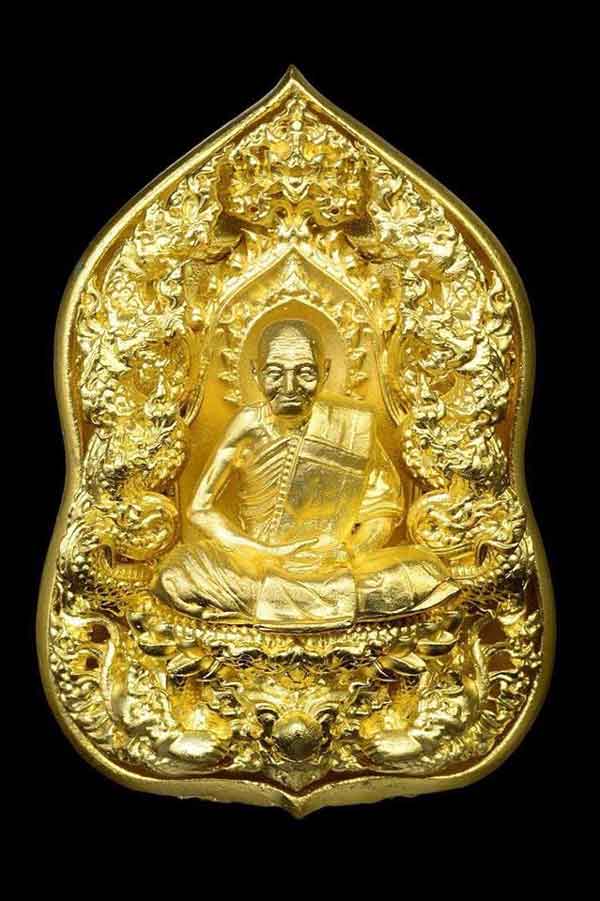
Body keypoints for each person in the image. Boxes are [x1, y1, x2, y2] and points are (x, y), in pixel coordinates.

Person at [153, 319, 458, 627]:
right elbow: (199, 509)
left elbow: (382, 509)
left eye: (305, 373)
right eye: (275, 373)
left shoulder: (352, 426)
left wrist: (350, 551)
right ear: (255, 373)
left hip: (334, 565)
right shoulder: (249, 424)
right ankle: (324, 604)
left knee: (427, 572)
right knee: (175, 575)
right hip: (255, 566)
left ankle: (278, 604)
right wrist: (266, 553)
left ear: (325, 371)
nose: (290, 387)